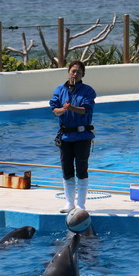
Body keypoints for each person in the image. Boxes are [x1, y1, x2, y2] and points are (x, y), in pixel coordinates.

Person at [50, 60, 96, 213]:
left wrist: (72, 107)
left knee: (82, 169)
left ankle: (81, 205)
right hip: (65, 137)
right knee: (67, 170)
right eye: (73, 71)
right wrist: (63, 109)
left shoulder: (88, 91)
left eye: (79, 72)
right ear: (68, 71)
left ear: (83, 74)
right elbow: (54, 110)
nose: (75, 74)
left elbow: (85, 110)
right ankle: (69, 204)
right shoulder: (59, 90)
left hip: (83, 136)